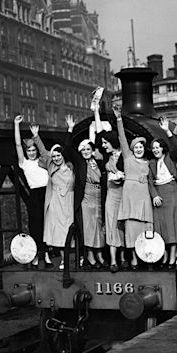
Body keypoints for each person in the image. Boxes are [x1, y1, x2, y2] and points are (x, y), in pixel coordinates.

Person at [30, 122, 75, 270]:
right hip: (55, 202)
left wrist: (70, 130)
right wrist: (36, 136)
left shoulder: (71, 166)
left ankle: (76, 257)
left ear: (63, 155)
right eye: (54, 156)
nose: (56, 158)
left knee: (70, 229)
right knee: (59, 234)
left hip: (68, 200)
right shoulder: (51, 166)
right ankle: (63, 260)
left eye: (58, 155)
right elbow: (43, 152)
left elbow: (70, 148)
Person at [114, 105, 153, 269]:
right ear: (132, 149)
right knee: (131, 229)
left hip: (144, 198)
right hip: (130, 198)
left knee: (145, 228)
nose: (138, 149)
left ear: (144, 149)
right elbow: (122, 138)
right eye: (136, 146)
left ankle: (146, 257)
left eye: (141, 147)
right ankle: (135, 260)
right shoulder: (128, 158)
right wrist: (119, 119)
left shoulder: (148, 163)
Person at [65, 115, 105, 269]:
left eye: (89, 149)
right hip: (86, 199)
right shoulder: (79, 162)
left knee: (98, 227)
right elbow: (68, 148)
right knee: (88, 228)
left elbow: (102, 140)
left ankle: (99, 254)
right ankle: (90, 255)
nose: (87, 151)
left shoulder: (98, 162)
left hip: (98, 198)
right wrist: (70, 129)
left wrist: (96, 113)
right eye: (84, 150)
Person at [13, 115, 51, 268]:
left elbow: (45, 152)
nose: (32, 153)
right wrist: (16, 125)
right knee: (35, 226)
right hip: (35, 195)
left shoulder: (43, 160)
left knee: (48, 225)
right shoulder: (24, 163)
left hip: (47, 193)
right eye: (29, 150)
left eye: (34, 150)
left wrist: (37, 136)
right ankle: (35, 256)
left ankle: (47, 255)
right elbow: (17, 145)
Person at [93, 104, 127, 272]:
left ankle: (123, 257)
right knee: (112, 225)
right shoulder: (105, 156)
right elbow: (99, 135)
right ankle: (113, 260)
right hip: (111, 195)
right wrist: (95, 111)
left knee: (123, 226)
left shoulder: (125, 155)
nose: (104, 145)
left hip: (125, 194)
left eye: (106, 143)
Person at [148, 117, 177, 269]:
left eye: (158, 147)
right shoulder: (151, 163)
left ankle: (173, 255)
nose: (156, 150)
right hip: (159, 193)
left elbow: (174, 145)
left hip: (171, 191)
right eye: (153, 148)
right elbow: (149, 181)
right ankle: (164, 255)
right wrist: (154, 194)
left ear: (162, 148)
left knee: (171, 223)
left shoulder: (170, 157)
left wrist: (167, 130)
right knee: (160, 225)